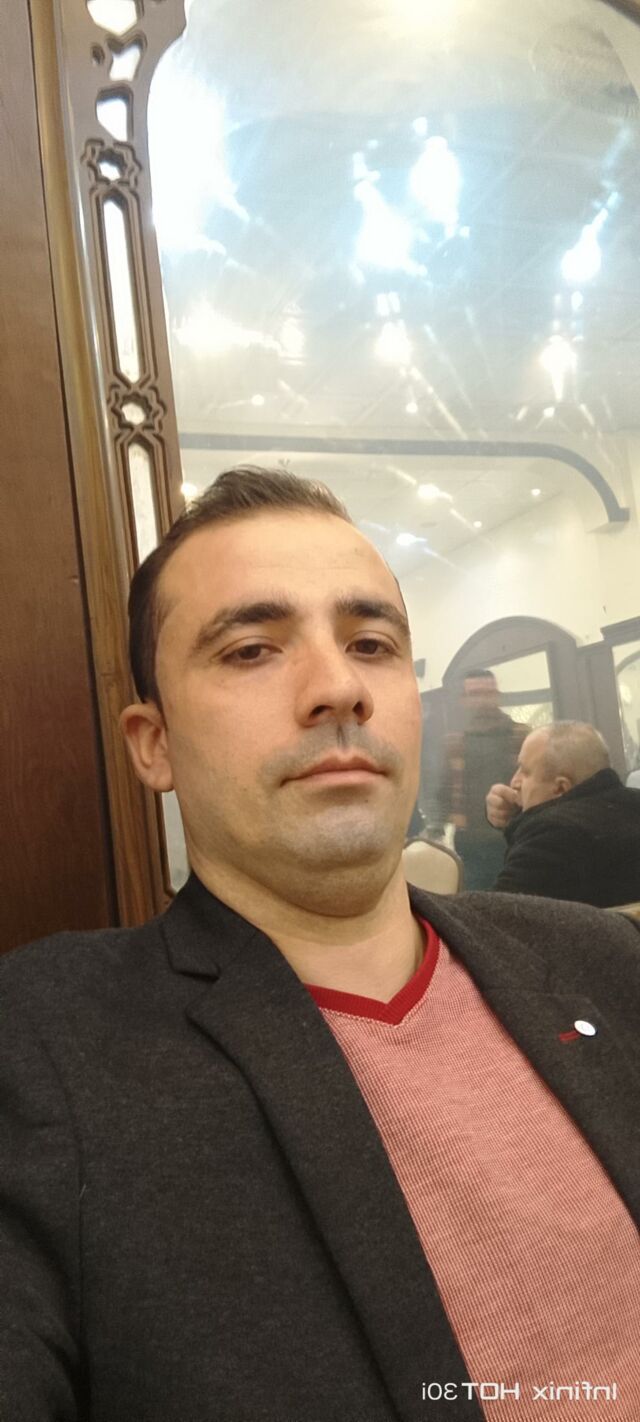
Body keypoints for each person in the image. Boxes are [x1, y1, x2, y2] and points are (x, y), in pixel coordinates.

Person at [1, 466, 639, 1422]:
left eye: (371, 643)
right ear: (153, 742)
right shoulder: (46, 1046)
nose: (338, 688)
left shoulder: (599, 962)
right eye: (252, 649)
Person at [486, 720, 640, 905]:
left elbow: (496, 913)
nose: (514, 782)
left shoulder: (550, 837)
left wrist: (522, 825)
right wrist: (517, 816)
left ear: (560, 788)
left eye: (525, 772)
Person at [431, 669, 527, 889]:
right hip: (469, 843)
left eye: (488, 693)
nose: (483, 700)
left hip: (515, 838)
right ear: (464, 700)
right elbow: (444, 790)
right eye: (475, 694)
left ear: (497, 696)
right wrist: (437, 830)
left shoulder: (522, 737)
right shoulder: (454, 743)